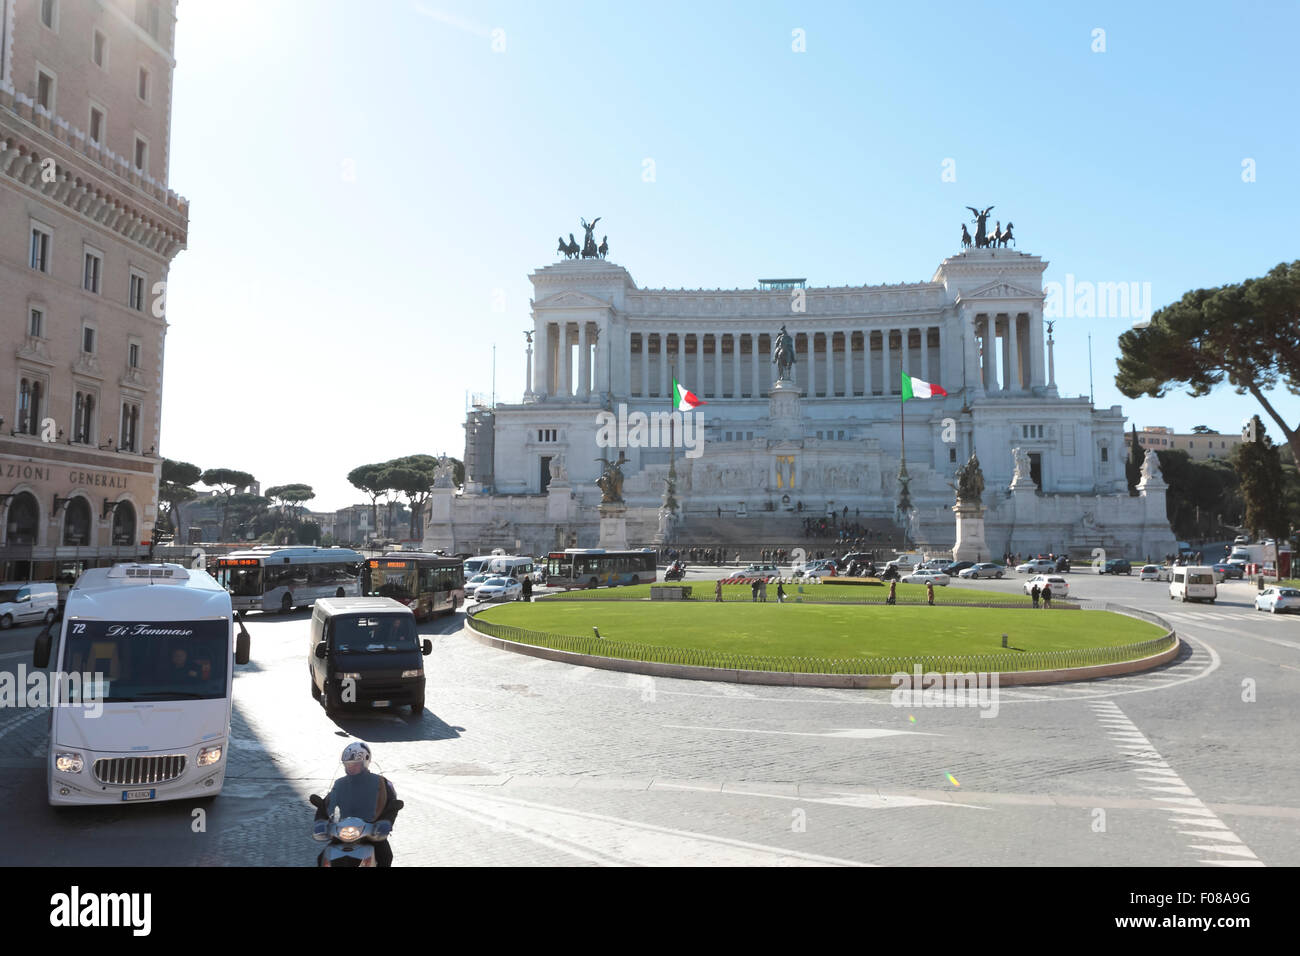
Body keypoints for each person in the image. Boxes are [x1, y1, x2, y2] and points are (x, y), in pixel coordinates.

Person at [314, 742, 400, 867]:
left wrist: (386, 822)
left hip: (371, 831)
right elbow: (328, 803)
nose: (350, 767)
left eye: (355, 764)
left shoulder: (381, 783)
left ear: (365, 762)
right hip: (343, 831)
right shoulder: (340, 784)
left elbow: (391, 805)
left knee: (386, 855)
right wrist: (321, 820)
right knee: (322, 857)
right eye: (347, 764)